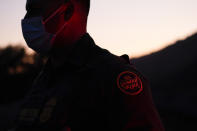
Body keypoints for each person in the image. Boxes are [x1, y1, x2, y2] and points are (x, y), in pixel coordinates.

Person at [13, 0, 165, 130]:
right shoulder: (44, 78)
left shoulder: (113, 76)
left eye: (33, 11)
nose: (25, 20)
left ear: (67, 12)